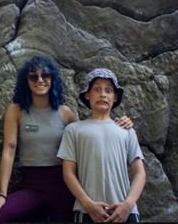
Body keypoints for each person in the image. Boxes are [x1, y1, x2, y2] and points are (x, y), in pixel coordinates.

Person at [0, 57, 132, 223]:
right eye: (33, 76)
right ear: (26, 81)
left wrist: (119, 123)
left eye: (45, 75)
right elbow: (9, 151)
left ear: (52, 79)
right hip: (33, 185)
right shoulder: (16, 110)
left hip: (64, 185)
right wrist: (2, 194)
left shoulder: (65, 112)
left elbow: (90, 135)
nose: (40, 80)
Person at [58, 68, 146, 223]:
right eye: (97, 89)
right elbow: (68, 173)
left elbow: (140, 172)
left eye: (108, 91)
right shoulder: (74, 130)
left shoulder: (126, 131)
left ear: (115, 97)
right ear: (87, 94)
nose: (103, 95)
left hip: (125, 212)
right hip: (87, 212)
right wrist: (88, 204)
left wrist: (128, 205)